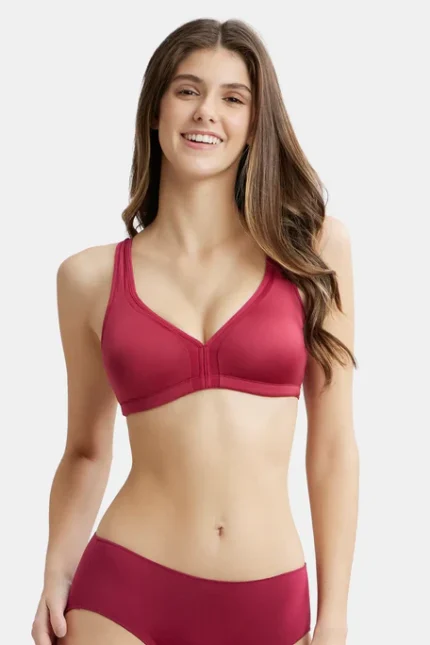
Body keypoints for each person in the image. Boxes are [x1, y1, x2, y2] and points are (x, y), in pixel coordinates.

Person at [31, 17, 359, 645]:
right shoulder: (88, 278)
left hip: (270, 601)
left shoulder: (314, 251)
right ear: (156, 110)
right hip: (124, 592)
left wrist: (335, 614)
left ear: (254, 123)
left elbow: (334, 445)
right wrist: (55, 570)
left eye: (233, 97)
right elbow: (86, 450)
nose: (207, 111)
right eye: (187, 90)